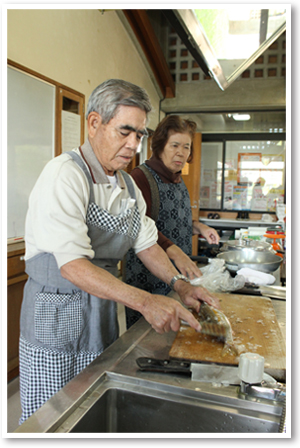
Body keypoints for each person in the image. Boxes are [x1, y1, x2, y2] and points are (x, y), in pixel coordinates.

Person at [18, 80, 219, 424]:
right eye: (125, 131)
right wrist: (144, 300)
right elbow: (73, 266)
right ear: (94, 123)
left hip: (100, 312)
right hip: (56, 316)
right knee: (50, 416)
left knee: (89, 405)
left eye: (139, 135)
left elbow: (146, 243)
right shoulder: (65, 175)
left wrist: (179, 283)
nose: (133, 145)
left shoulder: (126, 186)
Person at [125, 115, 220, 328]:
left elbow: (176, 219)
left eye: (186, 147)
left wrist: (200, 227)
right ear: (159, 146)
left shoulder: (177, 177)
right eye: (175, 145)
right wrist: (176, 253)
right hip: (149, 279)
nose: (181, 152)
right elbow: (140, 227)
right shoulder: (141, 178)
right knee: (148, 341)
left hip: (178, 278)